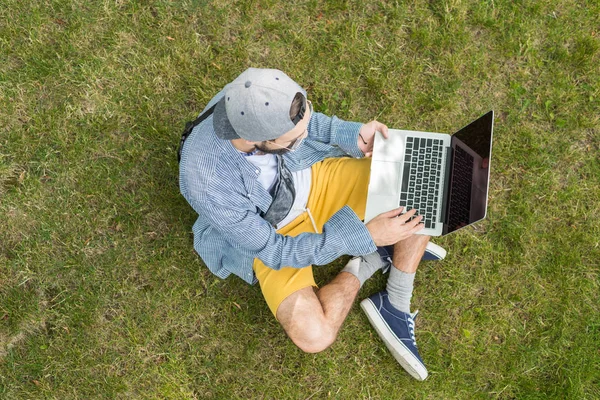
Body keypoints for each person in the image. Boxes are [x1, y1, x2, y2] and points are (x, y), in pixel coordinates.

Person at [178, 68, 447, 380]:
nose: (305, 136)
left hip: (315, 178)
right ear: (256, 139)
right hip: (274, 231)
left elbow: (306, 125)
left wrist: (351, 134)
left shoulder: (255, 93)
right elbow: (274, 251)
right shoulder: (208, 184)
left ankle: (396, 300)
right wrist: (361, 235)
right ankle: (366, 263)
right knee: (313, 335)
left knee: (424, 180)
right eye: (295, 140)